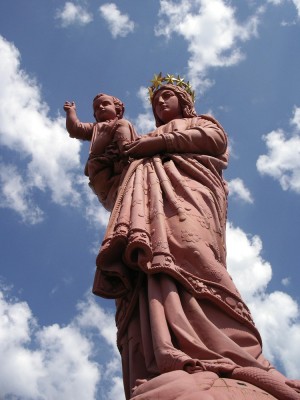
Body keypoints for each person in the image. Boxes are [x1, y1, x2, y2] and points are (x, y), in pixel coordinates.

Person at [90, 76, 300, 399]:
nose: (160, 104)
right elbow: (110, 185)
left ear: (184, 101)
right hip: (149, 213)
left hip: (190, 199)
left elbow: (214, 141)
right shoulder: (141, 140)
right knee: (147, 272)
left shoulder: (199, 123)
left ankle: (234, 352)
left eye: (167, 96)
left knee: (192, 251)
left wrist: (157, 145)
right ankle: (167, 355)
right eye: (156, 101)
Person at [64, 94, 138, 208]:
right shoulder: (96, 127)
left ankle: (126, 151)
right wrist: (71, 111)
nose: (101, 107)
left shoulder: (122, 123)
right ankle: (127, 152)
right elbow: (75, 129)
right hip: (100, 168)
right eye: (97, 108)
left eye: (106, 104)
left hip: (120, 166)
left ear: (117, 109)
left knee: (123, 123)